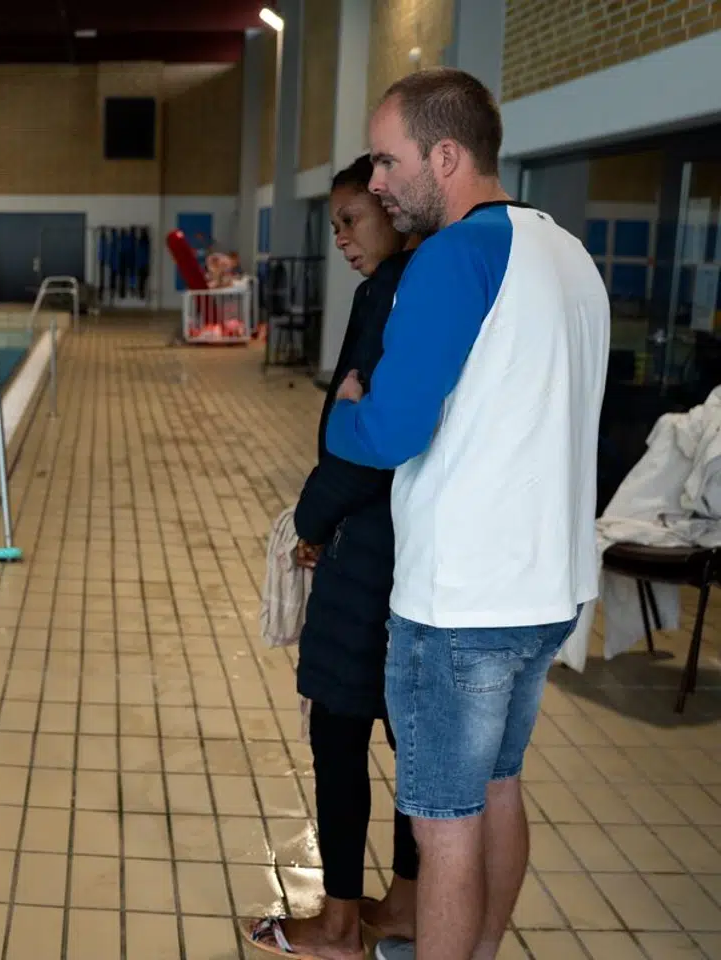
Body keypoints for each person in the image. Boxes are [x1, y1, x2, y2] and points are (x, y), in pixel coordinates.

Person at [325, 68, 610, 960]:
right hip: (549, 588)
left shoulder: (452, 257)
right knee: (498, 788)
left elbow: (390, 431)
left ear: (445, 156)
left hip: (463, 601)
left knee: (443, 823)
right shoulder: (568, 254)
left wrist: (343, 412)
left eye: (387, 160)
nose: (376, 182)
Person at [246, 155, 421, 960]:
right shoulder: (405, 287)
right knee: (407, 736)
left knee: (339, 732)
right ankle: (407, 904)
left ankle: (340, 926)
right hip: (403, 544)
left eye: (353, 220)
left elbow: (373, 439)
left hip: (369, 545)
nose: (343, 238)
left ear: (393, 208)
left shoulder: (395, 291)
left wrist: (312, 522)